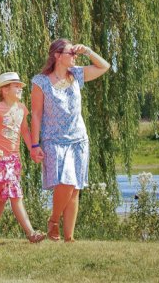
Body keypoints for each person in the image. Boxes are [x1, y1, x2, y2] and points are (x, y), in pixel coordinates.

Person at [30, 38, 110, 242]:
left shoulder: (77, 75)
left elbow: (104, 66)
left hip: (78, 139)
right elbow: (36, 115)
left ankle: (69, 237)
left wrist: (88, 51)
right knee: (65, 181)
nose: (75, 56)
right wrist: (34, 144)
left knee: (74, 189)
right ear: (57, 56)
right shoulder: (40, 81)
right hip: (54, 139)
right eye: (71, 53)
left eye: (75, 54)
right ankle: (54, 220)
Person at [0, 71, 46, 245]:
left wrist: (33, 149)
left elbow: (24, 131)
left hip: (14, 159)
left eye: (20, 86)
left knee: (1, 199)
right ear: (4, 90)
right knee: (15, 194)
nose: (20, 88)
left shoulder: (21, 108)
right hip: (0, 160)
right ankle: (31, 234)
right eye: (16, 86)